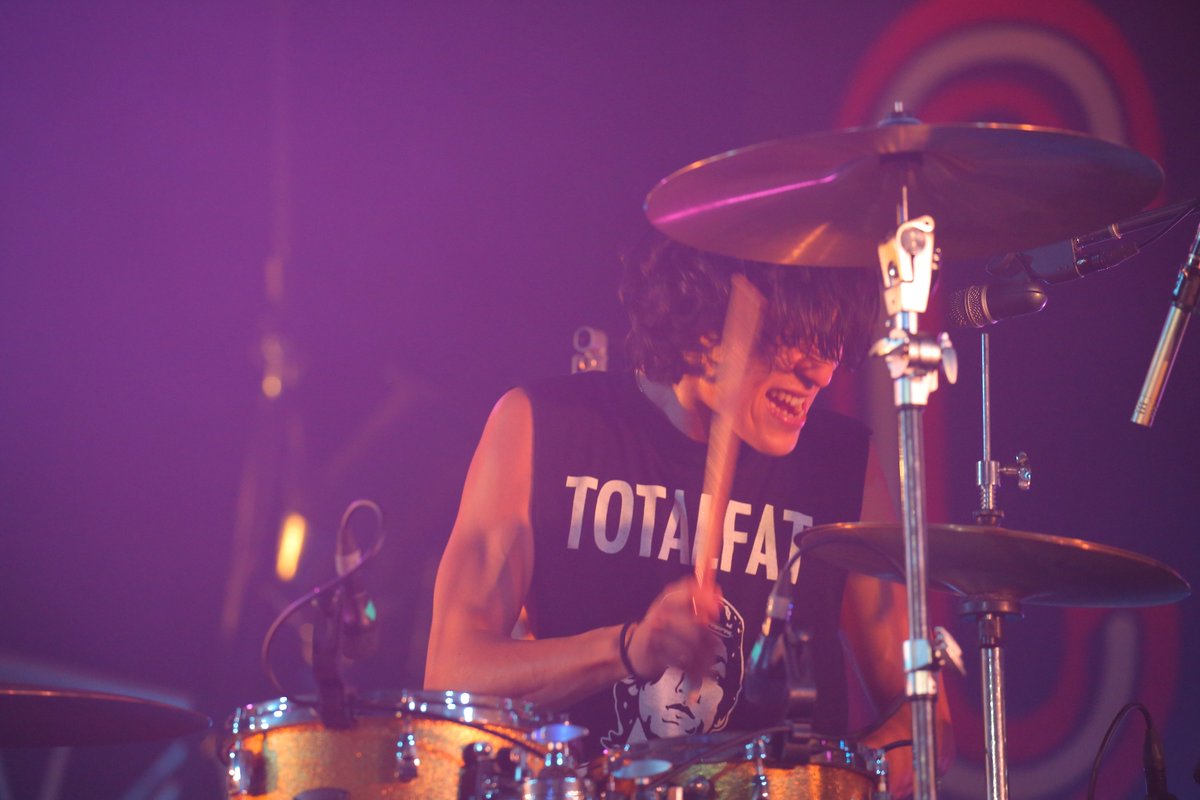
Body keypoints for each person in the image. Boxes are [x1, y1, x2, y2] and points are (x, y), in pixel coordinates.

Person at [424, 237, 953, 797]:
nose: (820, 373)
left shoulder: (841, 465)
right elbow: (453, 674)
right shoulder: (542, 424)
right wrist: (628, 649)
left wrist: (825, 782)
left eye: (830, 340)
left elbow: (925, 721)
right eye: (798, 335)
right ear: (705, 326)